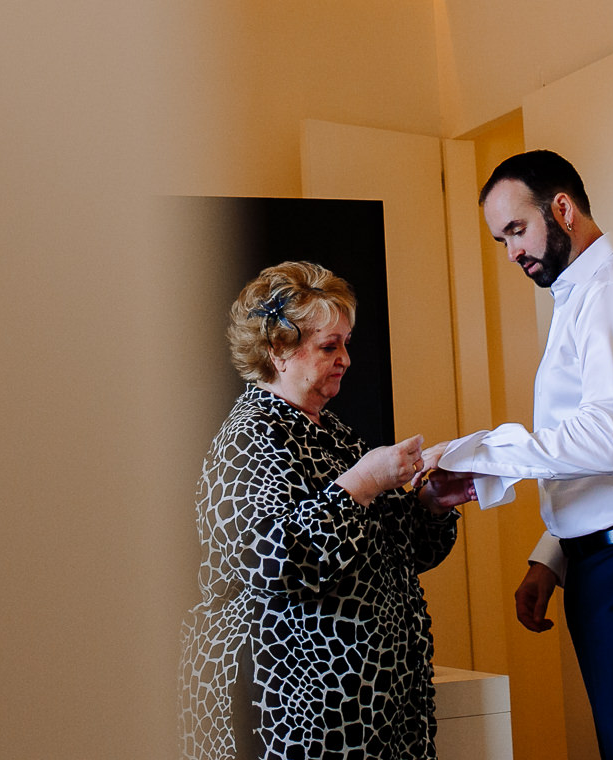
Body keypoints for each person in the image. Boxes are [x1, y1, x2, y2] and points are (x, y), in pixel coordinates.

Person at [433, 150, 613, 760]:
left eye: (517, 230)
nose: (511, 253)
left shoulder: (612, 291)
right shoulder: (581, 295)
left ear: (562, 208)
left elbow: (608, 438)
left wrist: (482, 454)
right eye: (500, 239)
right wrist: (551, 557)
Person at [180, 261, 477, 760]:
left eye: (345, 343)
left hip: (372, 707)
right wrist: (361, 483)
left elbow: (396, 553)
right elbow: (273, 560)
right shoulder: (248, 439)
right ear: (277, 349)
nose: (345, 359)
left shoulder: (331, 432)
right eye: (328, 345)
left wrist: (431, 502)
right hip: (296, 710)